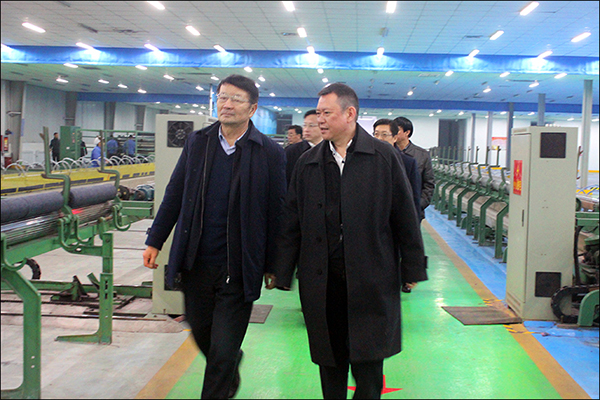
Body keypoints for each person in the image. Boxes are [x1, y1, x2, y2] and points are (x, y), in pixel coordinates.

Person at [272, 83, 427, 399]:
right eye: (318, 113)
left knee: (368, 365)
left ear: (350, 113)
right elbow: (292, 219)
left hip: (371, 277)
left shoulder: (383, 157)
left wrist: (411, 268)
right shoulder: (308, 161)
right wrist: (282, 270)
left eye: (326, 113)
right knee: (329, 360)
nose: (320, 120)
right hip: (322, 278)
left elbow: (404, 214)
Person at [142, 74, 286, 399]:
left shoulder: (269, 153)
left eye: (236, 99)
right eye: (222, 97)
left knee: (222, 349)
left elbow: (277, 212)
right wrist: (155, 240)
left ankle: (223, 372)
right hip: (196, 262)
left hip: (239, 266)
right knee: (203, 334)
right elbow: (175, 193)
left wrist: (275, 265)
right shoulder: (198, 143)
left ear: (252, 108)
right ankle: (230, 361)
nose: (227, 104)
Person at [373, 118, 421, 220]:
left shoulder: (408, 163)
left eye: (384, 134)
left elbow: (414, 198)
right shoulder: (366, 161)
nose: (379, 138)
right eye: (376, 134)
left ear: (395, 138)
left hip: (397, 218)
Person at [393, 116, 435, 220]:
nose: (393, 133)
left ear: (407, 132)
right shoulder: (388, 153)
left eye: (397, 130)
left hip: (414, 211)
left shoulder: (422, 155)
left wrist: (418, 205)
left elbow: (429, 184)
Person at [284, 110, 323, 186]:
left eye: (311, 125)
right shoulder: (291, 151)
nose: (306, 130)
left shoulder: (331, 150)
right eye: (304, 125)